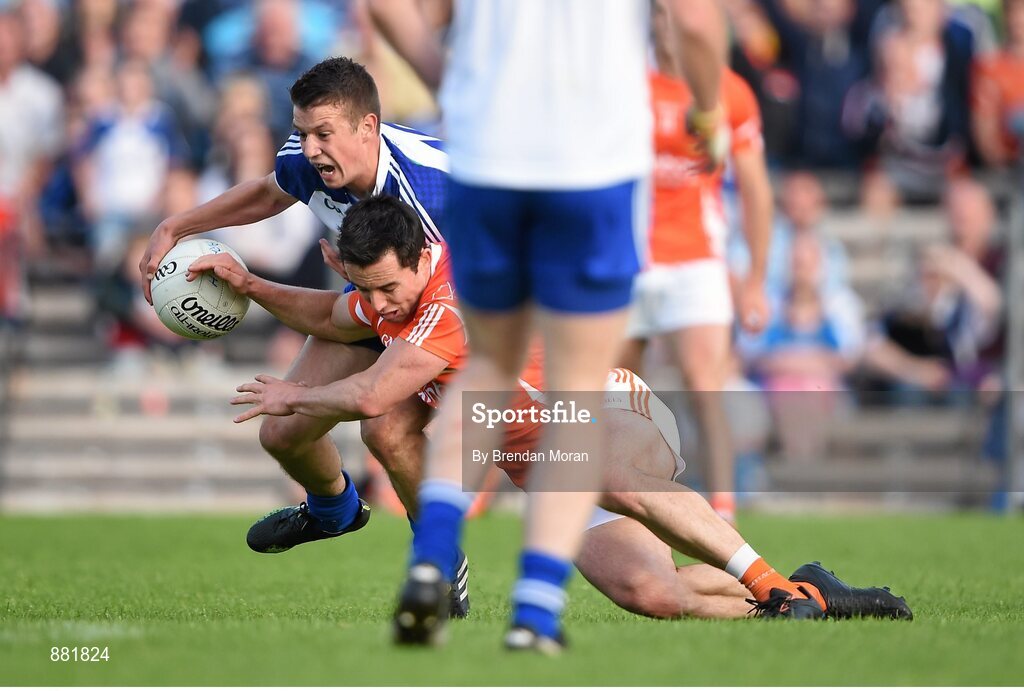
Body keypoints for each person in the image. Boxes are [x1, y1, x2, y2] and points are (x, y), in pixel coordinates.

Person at [192, 196, 911, 628]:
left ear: (418, 257)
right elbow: (328, 310)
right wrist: (250, 283)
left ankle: (765, 583)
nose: (375, 306)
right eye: (367, 290)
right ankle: (807, 595)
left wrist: (296, 395)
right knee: (652, 593)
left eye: (384, 288)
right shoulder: (393, 294)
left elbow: (375, 394)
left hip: (612, 411)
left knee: (606, 470)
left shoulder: (448, 301)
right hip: (547, 464)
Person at [369, 0, 732, 652]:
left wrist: (452, 84)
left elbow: (388, 7)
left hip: (487, 155)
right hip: (593, 161)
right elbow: (698, 22)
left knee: (484, 367)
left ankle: (432, 555)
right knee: (575, 390)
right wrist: (708, 111)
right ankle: (535, 612)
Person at [137, 56, 469, 617]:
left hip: (451, 312)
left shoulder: (438, 189)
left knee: (385, 429)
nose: (311, 148)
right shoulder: (308, 162)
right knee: (282, 435)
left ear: (369, 128)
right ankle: (335, 511)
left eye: (324, 134)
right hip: (374, 302)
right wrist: (177, 225)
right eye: (302, 132)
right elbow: (270, 192)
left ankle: (438, 560)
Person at [619, 0, 773, 524]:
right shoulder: (624, 83)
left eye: (675, 12)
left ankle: (724, 513)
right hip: (630, 259)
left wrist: (753, 279)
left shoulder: (729, 91)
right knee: (617, 391)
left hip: (697, 260)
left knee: (705, 384)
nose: (668, 24)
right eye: (658, 13)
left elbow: (755, 189)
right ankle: (625, 505)